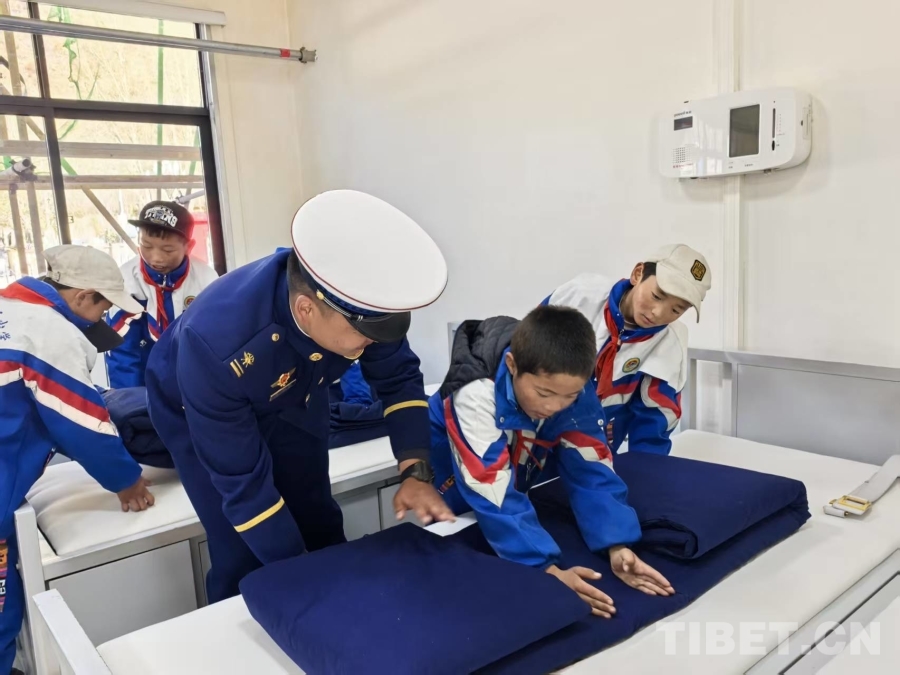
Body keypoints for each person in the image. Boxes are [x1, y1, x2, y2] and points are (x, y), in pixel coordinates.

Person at [145, 190, 455, 604]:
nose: (370, 345)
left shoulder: (361, 308)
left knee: (316, 512)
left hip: (297, 388)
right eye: (363, 337)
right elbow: (244, 488)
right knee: (241, 543)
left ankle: (338, 602)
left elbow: (398, 379)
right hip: (196, 405)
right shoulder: (219, 343)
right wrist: (303, 580)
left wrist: (415, 472)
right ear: (307, 309)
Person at [429, 305, 673, 618]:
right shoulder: (475, 394)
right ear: (512, 365)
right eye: (544, 393)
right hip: (454, 470)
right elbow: (490, 486)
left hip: (512, 463)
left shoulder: (572, 388)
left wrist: (617, 543)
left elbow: (591, 467)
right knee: (455, 545)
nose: (554, 406)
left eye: (568, 397)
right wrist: (545, 568)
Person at [0, 246, 156, 675]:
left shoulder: (9, 309)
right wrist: (127, 481)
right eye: (103, 308)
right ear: (84, 296)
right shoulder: (48, 332)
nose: (102, 318)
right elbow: (80, 422)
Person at [545, 244, 711, 455]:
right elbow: (526, 352)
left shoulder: (670, 343)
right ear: (637, 274)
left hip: (593, 450)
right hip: (535, 428)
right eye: (657, 296)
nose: (658, 313)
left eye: (676, 310)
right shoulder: (580, 296)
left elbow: (654, 421)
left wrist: (644, 470)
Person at [105, 201, 218, 388]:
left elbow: (213, 342)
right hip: (141, 377)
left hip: (193, 378)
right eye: (146, 246)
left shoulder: (206, 280)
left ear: (189, 246)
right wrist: (133, 400)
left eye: (168, 250)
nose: (156, 258)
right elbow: (123, 352)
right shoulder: (126, 281)